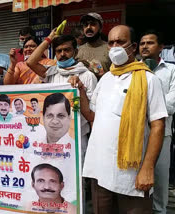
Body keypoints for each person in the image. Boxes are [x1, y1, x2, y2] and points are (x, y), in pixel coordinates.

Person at [76, 25, 168, 213]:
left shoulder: (149, 80)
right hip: (100, 170)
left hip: (131, 175)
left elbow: (158, 125)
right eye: (111, 42)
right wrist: (80, 92)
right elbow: (92, 115)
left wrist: (148, 168)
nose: (115, 46)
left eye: (121, 42)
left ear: (133, 47)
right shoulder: (106, 79)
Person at [26, 31, 97, 162]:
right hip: (52, 139)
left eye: (67, 50)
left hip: (77, 137)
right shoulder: (51, 73)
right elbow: (30, 62)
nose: (62, 54)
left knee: (77, 179)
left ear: (75, 52)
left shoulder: (87, 76)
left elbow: (91, 115)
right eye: (58, 51)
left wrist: (79, 89)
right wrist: (49, 38)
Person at [139, 30, 175, 214]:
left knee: (159, 179)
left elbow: (172, 101)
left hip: (162, 133)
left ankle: (160, 211)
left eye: (150, 43)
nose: (145, 46)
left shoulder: (171, 70)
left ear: (161, 47)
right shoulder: (134, 70)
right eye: (142, 43)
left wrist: (144, 108)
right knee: (135, 180)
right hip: (135, 134)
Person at [76, 13, 111, 79]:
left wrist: (102, 75)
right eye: (86, 25)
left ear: (100, 28)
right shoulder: (77, 51)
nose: (88, 27)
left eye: (93, 24)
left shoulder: (109, 49)